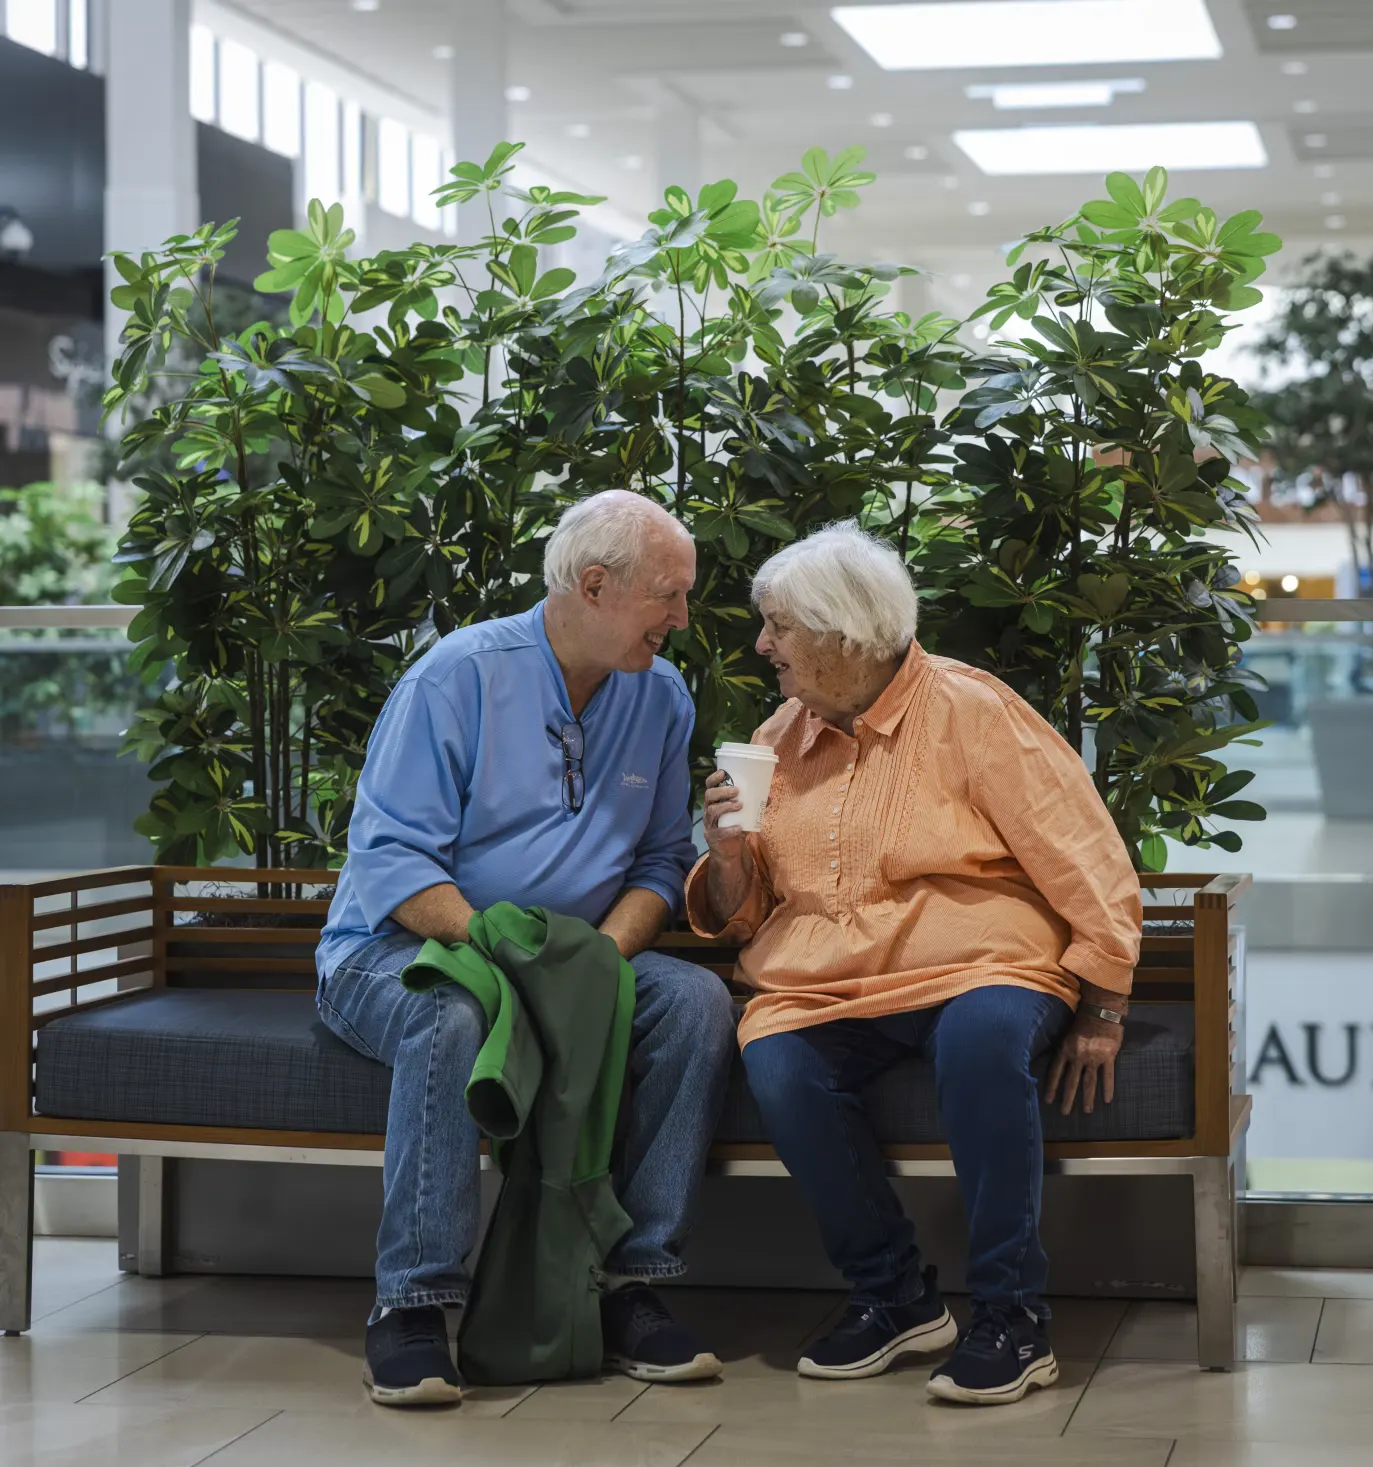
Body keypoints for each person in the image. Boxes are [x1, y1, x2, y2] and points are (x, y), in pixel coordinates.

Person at [689, 523, 1141, 1407]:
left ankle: (1013, 1316)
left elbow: (1086, 855)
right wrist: (730, 855)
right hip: (825, 979)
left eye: (779, 626)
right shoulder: (778, 736)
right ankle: (895, 1296)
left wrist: (1104, 1002)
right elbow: (745, 912)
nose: (763, 646)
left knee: (981, 1041)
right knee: (776, 1056)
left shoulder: (972, 711)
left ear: (843, 633)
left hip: (980, 963)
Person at [317, 490, 735, 1407]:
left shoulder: (661, 696)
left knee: (696, 1003)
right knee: (453, 1014)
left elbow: (662, 862)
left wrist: (597, 964)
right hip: (400, 949)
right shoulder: (456, 678)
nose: (682, 618)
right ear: (595, 585)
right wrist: (506, 954)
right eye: (668, 595)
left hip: (573, 956)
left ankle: (630, 1284)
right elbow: (392, 862)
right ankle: (412, 1304)